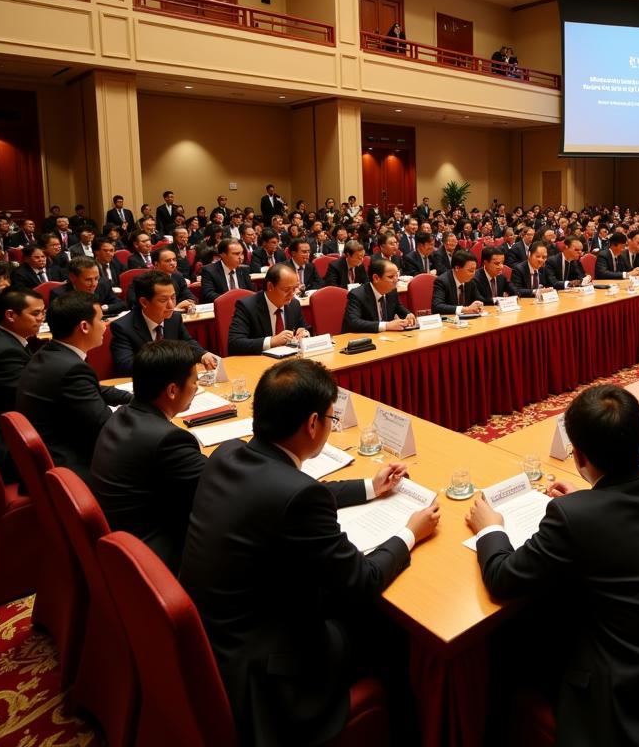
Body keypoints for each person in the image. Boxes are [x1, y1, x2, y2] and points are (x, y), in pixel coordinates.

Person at [180, 359, 440, 747]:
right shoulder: (298, 495)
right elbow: (361, 580)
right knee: (393, 630)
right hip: (270, 671)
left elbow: (297, 490)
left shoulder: (228, 454)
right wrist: (409, 534)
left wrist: (370, 487)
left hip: (218, 638)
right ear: (313, 424)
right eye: (332, 420)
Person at [466, 384, 639, 747]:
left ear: (579, 456)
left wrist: (490, 528)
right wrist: (589, 502)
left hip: (620, 690)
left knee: (507, 640)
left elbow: (503, 578)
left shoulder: (574, 518)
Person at [90, 340, 208, 572]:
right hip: (151, 556)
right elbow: (215, 491)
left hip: (120, 540)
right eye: (195, 381)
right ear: (172, 390)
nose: (196, 387)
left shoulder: (123, 414)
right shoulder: (168, 440)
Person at [14, 292, 132, 479]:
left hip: (56, 448)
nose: (104, 326)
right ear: (84, 327)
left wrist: (135, 396)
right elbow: (107, 426)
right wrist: (148, 408)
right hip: (71, 466)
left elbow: (93, 388)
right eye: (101, 320)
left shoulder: (51, 352)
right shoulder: (71, 368)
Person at [110, 271, 216, 376]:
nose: (171, 305)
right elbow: (126, 366)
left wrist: (202, 354)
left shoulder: (174, 318)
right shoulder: (123, 327)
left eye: (173, 298)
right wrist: (170, 362)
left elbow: (187, 342)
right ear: (144, 302)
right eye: (163, 300)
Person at [0, 287, 45, 482]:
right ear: (11, 315)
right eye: (35, 313)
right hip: (8, 444)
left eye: (43, 312)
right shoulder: (5, 352)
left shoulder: (5, 339)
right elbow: (34, 397)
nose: (41, 318)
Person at [227, 264, 309, 355]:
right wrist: (271, 341)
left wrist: (304, 333)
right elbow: (234, 344)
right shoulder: (247, 306)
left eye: (294, 288)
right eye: (286, 290)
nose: (292, 294)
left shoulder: (294, 304)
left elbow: (303, 328)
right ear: (270, 286)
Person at [343, 259, 415, 333]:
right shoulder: (357, 295)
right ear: (376, 278)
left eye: (397, 275)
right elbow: (354, 322)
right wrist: (386, 326)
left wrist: (407, 314)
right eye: (391, 277)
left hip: (386, 338)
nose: (396, 280)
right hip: (364, 338)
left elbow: (398, 306)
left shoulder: (392, 291)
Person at [53, 254, 127, 317]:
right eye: (88, 280)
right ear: (73, 278)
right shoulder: (59, 295)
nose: (94, 284)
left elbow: (121, 304)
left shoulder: (103, 284)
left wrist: (103, 308)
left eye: (96, 278)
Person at [431, 250, 484, 315]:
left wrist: (478, 304)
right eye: (470, 270)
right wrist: (465, 309)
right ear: (457, 268)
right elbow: (437, 307)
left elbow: (479, 298)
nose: (473, 274)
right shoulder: (442, 281)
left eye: (474, 270)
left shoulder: (470, 281)